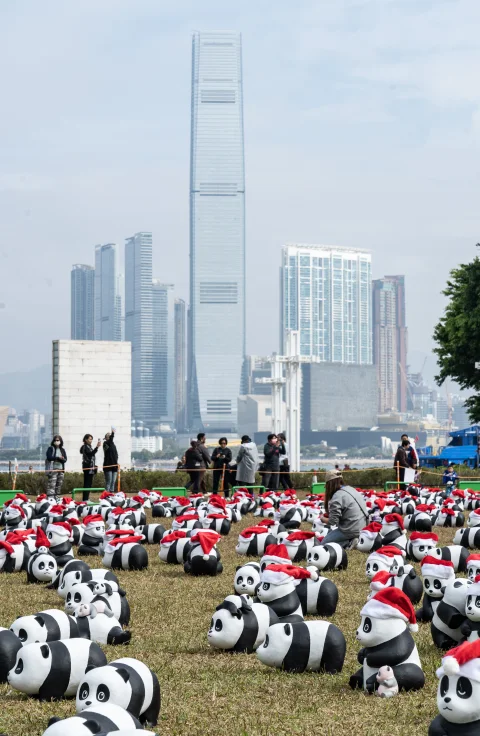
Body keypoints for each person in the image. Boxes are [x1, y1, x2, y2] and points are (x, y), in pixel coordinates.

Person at [320, 470, 369, 549]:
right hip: (364, 526)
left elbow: (333, 521)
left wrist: (322, 518)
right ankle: (354, 539)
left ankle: (349, 542)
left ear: (329, 484)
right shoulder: (351, 489)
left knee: (324, 543)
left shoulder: (337, 496)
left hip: (350, 529)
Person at [80, 434, 101, 502]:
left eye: (91, 439)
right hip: (87, 467)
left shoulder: (89, 446)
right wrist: (97, 447)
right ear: (86, 439)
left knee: (89, 483)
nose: (91, 440)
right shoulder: (85, 447)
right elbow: (91, 453)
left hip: (91, 467)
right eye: (89, 439)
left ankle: (86, 498)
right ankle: (85, 499)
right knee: (87, 483)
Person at [103, 428, 118, 493]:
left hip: (114, 465)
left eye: (110, 436)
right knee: (109, 481)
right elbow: (110, 441)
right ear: (106, 438)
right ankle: (107, 493)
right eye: (108, 436)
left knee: (113, 481)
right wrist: (112, 433)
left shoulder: (113, 444)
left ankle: (111, 493)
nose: (110, 437)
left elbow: (116, 454)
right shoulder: (105, 443)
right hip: (108, 465)